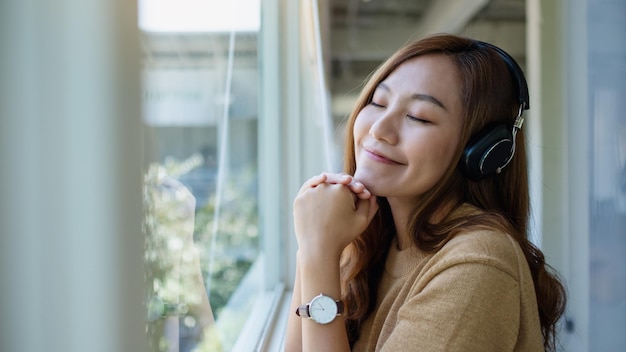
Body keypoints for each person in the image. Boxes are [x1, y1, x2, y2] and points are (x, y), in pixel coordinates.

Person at [285, 34, 566, 351]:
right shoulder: (375, 239)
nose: (379, 129)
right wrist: (312, 249)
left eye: (418, 116)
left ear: (481, 152)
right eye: (378, 102)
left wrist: (318, 252)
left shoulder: (476, 265)